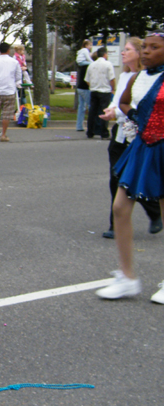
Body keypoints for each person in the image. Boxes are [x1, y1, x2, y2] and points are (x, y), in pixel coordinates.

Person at [96, 32, 164, 304]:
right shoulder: (136, 78)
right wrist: (133, 115)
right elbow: (124, 101)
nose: (146, 51)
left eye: (154, 48)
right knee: (120, 208)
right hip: (142, 148)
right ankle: (127, 277)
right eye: (144, 47)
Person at [98, 37, 161, 239]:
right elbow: (121, 102)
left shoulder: (151, 77)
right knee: (118, 180)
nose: (123, 53)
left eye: (128, 49)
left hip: (148, 141)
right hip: (123, 135)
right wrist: (116, 113)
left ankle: (154, 212)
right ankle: (115, 226)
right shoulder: (128, 77)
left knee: (136, 179)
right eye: (143, 47)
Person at [85, 46, 115, 139]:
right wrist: (113, 89)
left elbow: (87, 79)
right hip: (105, 90)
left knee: (92, 112)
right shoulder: (108, 64)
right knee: (104, 112)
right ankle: (104, 133)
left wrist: (92, 86)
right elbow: (112, 78)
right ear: (105, 54)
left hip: (94, 90)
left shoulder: (91, 65)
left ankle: (90, 132)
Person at [75, 39, 93, 132]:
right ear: (86, 45)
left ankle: (79, 126)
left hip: (79, 87)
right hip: (86, 88)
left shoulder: (81, 66)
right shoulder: (88, 66)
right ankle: (91, 126)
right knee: (90, 106)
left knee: (81, 107)